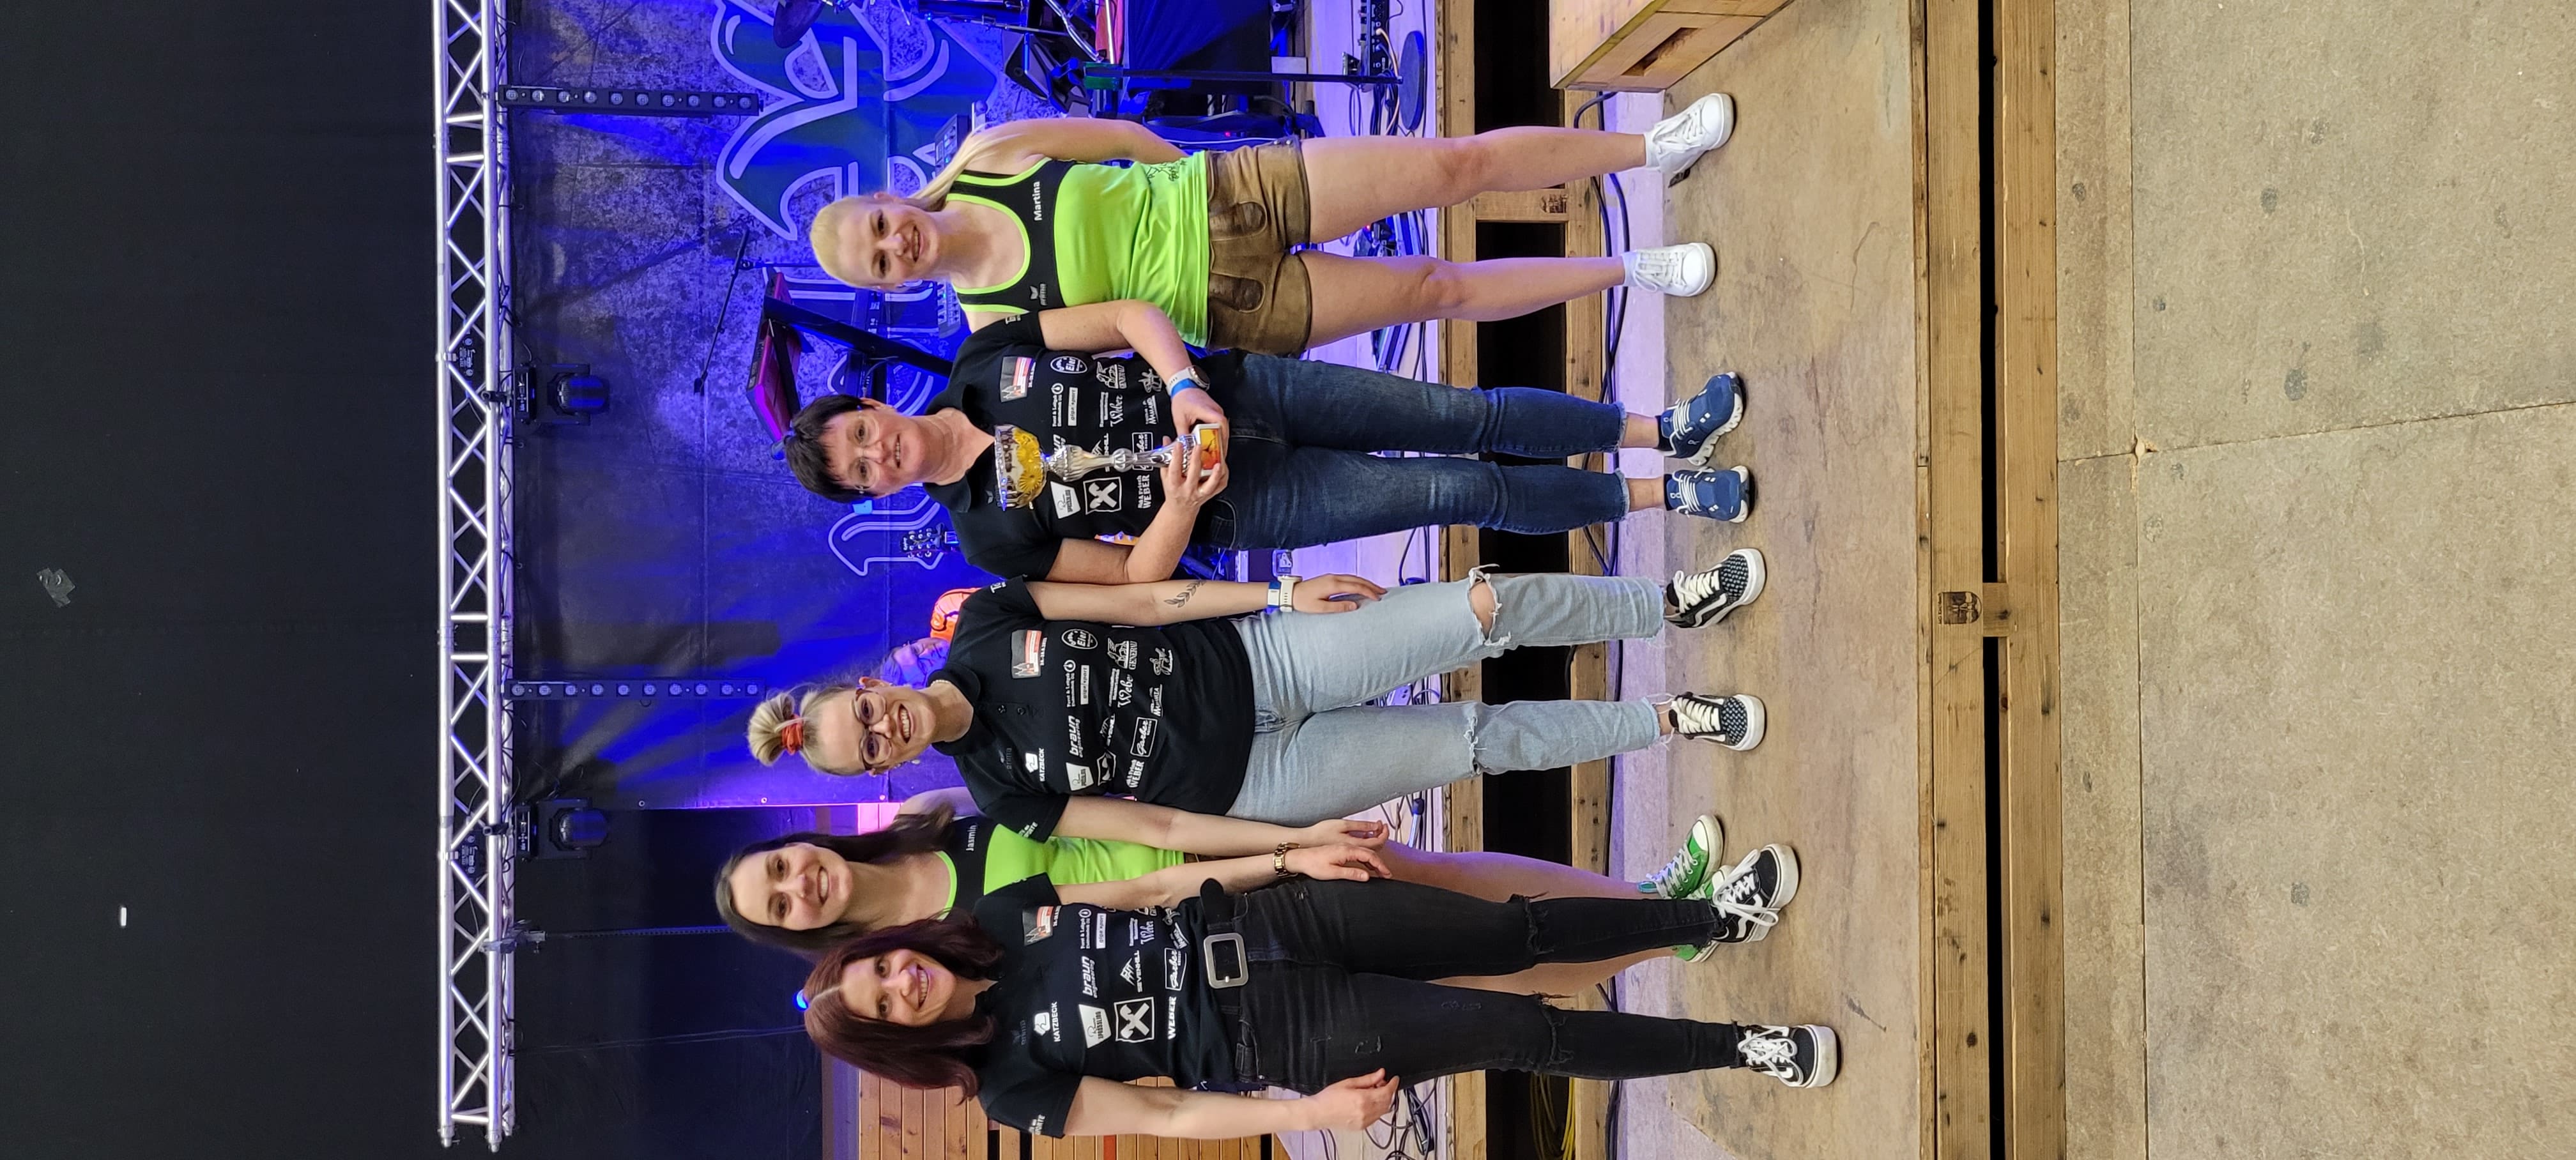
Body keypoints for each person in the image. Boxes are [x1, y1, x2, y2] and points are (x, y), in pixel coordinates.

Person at [742, 553, 1769, 836]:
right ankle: (1671, 721)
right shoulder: (1002, 792)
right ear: (885, 768)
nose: (882, 728)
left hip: (1263, 658)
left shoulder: (983, 622)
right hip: (1259, 784)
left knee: (1477, 609)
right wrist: (1282, 845)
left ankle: (1669, 603)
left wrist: (1279, 594)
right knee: (1473, 742)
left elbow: (1140, 600)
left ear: (870, 686)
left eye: (863, 712)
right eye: (870, 747)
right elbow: (1152, 828)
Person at [799, 867, 1834, 1140]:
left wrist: (1292, 852)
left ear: (893, 947)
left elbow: (1151, 887)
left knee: (1510, 933)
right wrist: (1312, 1114)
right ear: (896, 1041)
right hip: (1284, 1034)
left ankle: (1710, 914)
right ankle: (1744, 1045)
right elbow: (1169, 1113)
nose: (900, 986)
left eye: (880, 970)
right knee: (1525, 1034)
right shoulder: (1007, 1087)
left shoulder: (998, 915)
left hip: (1280, 921)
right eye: (882, 1008)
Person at [779, 298, 1754, 581]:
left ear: (870, 405)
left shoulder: (984, 357)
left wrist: (1182, 385)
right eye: (860, 473)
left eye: (861, 434)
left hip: (1251, 390)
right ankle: (1664, 494)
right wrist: (1177, 506)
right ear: (874, 496)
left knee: (1465, 414)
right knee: (1461, 491)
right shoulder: (987, 539)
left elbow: (1126, 317)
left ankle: (1662, 430)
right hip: (1248, 503)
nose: (877, 454)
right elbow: (1133, 577)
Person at [806, 98, 1742, 356]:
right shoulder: (992, 324)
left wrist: (1196, 185)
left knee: (1452, 165)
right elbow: (1129, 335)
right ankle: (1635, 268)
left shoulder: (991, 155)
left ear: (890, 198)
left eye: (880, 225)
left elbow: (1125, 137)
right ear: (890, 287)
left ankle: (1649, 146)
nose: (896, 244)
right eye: (880, 263)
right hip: (1238, 304)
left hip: (1235, 189)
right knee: (1436, 289)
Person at [713, 793, 1740, 989]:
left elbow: (1144, 833)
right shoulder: (913, 969)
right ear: (801, 935)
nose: (801, 886)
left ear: (797, 841)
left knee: (1444, 874)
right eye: (783, 906)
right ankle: (1665, 938)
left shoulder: (933, 818)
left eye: (782, 868)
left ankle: (1647, 900)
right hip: (1219, 950)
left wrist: (1285, 843)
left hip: (1217, 852)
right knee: (1473, 964)